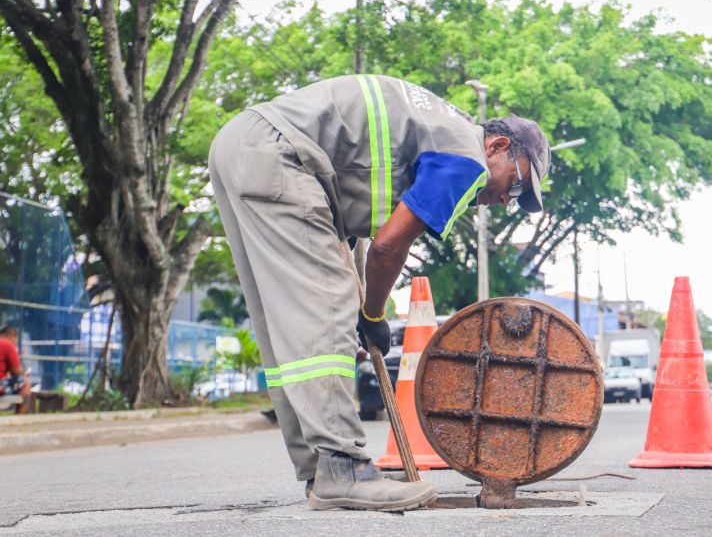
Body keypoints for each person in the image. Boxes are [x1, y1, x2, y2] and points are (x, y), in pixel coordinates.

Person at [209, 74, 550, 511]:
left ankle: (320, 468)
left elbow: (357, 225)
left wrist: (362, 301)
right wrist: (371, 316)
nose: (507, 201)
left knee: (286, 323)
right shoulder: (467, 158)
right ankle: (342, 468)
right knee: (327, 308)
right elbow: (389, 247)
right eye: (517, 186)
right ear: (498, 147)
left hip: (246, 146)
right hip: (282, 155)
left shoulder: (439, 124)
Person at [0, 325, 31, 414]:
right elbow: (16, 372)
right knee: (25, 382)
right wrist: (24, 373)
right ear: (11, 337)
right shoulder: (8, 345)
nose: (15, 344)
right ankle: (20, 419)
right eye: (15, 341)